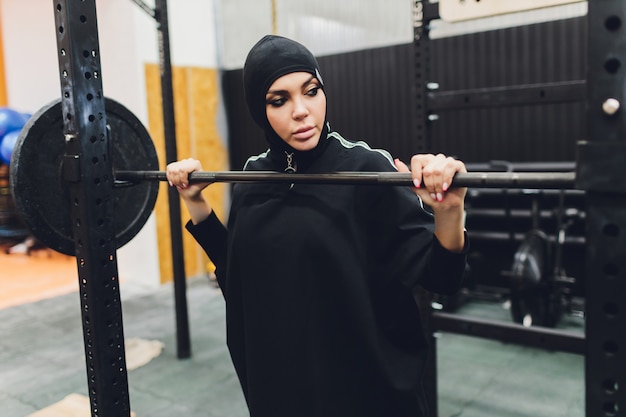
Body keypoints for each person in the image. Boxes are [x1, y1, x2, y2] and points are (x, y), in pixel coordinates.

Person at [166, 34, 468, 417]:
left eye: (311, 91)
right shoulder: (252, 179)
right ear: (260, 110)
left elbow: (443, 277)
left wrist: (449, 211)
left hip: (367, 393)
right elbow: (239, 278)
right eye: (280, 100)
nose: (302, 111)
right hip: (283, 389)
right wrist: (195, 201)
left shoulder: (366, 168)